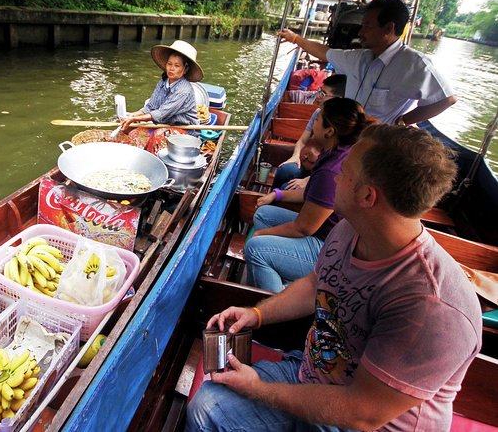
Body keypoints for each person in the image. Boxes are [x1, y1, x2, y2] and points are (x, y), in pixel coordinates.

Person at [187, 125, 482, 432]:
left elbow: (363, 413)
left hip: (362, 423)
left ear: (367, 196)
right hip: (312, 375)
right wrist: (257, 314)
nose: (336, 176)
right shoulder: (350, 229)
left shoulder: (432, 307)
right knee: (208, 408)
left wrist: (257, 388)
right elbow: (318, 283)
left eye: (346, 170)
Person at [244, 98, 376, 293]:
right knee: (262, 214)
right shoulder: (333, 152)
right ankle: (282, 268)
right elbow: (311, 195)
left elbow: (303, 228)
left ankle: (280, 301)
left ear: (329, 131)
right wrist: (277, 195)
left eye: (317, 119)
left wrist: (260, 235)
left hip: (329, 248)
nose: (313, 123)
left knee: (255, 247)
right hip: (325, 233)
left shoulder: (332, 170)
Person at [278, 0, 456, 125]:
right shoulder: (359, 58)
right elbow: (326, 53)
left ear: (388, 28)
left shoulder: (414, 65)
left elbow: (446, 99)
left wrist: (403, 121)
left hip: (377, 145)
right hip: (347, 136)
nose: (360, 32)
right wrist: (295, 39)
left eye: (367, 26)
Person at [274, 74, 347, 190]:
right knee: (286, 170)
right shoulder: (318, 112)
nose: (318, 97)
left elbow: (336, 165)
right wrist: (295, 156)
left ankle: (276, 199)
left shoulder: (345, 125)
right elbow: (303, 140)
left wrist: (308, 180)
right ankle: (272, 199)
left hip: (326, 173)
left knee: (286, 187)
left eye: (323, 94)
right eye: (320, 91)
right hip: (310, 163)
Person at [119, 40, 202, 132]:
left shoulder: (184, 90)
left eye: (177, 65)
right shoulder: (163, 81)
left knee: (148, 131)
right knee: (127, 127)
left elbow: (162, 113)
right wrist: (133, 115)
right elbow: (151, 106)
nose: (171, 68)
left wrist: (135, 119)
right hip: (166, 124)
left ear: (185, 69)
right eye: (169, 64)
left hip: (185, 130)